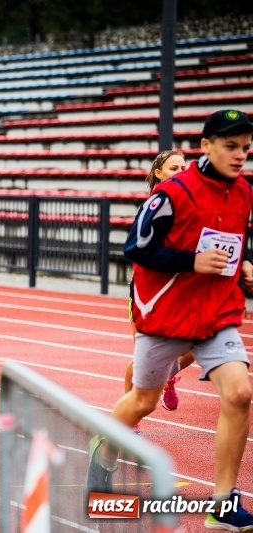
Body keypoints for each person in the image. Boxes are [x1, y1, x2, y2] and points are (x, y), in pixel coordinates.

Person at [87, 110, 253, 530]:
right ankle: (106, 451)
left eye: (246, 149)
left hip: (217, 312)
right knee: (143, 401)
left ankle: (222, 503)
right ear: (207, 146)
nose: (239, 156)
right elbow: (136, 248)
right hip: (166, 313)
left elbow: (234, 239)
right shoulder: (173, 193)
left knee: (238, 394)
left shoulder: (244, 192)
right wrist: (192, 262)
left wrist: (246, 263)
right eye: (230, 147)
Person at [122, 150, 195, 431]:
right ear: (159, 174)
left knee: (198, 348)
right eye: (174, 167)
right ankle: (131, 421)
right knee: (142, 360)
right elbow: (137, 250)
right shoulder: (153, 207)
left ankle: (170, 374)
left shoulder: (194, 204)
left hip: (184, 290)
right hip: (147, 295)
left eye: (184, 167)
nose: (181, 171)